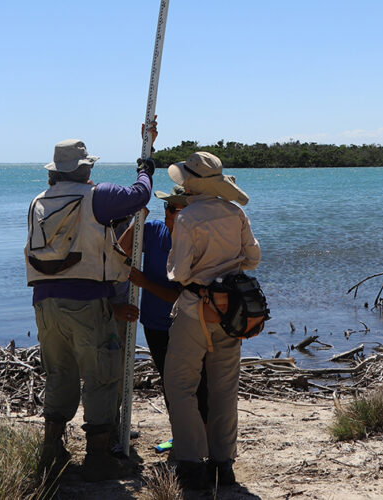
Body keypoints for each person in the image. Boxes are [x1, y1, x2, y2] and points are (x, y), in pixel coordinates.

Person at [25, 126, 157, 482]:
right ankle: (98, 457)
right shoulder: (96, 196)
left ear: (54, 169)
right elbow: (138, 196)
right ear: (84, 169)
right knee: (101, 374)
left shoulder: (38, 201)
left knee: (59, 372)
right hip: (86, 301)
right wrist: (147, 167)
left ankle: (52, 449)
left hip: (43, 301)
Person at [162, 151, 261, 489]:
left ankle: (190, 463)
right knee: (224, 388)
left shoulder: (188, 218)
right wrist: (226, 269)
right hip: (231, 311)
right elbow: (254, 258)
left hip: (194, 311)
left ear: (191, 182)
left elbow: (179, 273)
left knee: (180, 386)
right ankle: (223, 465)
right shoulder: (236, 212)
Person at [118, 186, 209, 436]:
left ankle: (200, 434)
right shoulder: (154, 230)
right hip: (154, 324)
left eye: (173, 208)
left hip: (185, 324)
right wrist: (139, 220)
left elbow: (181, 296)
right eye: (166, 207)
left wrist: (145, 282)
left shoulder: (194, 242)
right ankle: (179, 434)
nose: (167, 212)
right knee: (168, 383)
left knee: (193, 383)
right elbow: (122, 250)